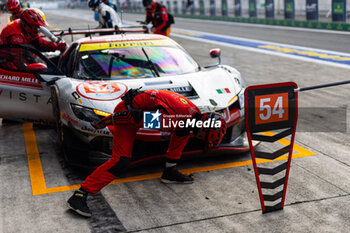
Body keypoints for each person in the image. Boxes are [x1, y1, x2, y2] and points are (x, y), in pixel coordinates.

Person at [67, 89, 227, 217]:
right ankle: (80, 195)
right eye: (205, 140)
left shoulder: (193, 115)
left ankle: (169, 171)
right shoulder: (173, 119)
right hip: (127, 113)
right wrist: (104, 122)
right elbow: (131, 117)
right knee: (121, 161)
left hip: (145, 110)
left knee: (183, 131)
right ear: (202, 131)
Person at [0, 8, 66, 52]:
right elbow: (19, 57)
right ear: (25, 24)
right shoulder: (16, 36)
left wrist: (56, 46)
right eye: (34, 27)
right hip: (8, 61)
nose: (37, 29)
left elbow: (39, 43)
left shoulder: (26, 27)